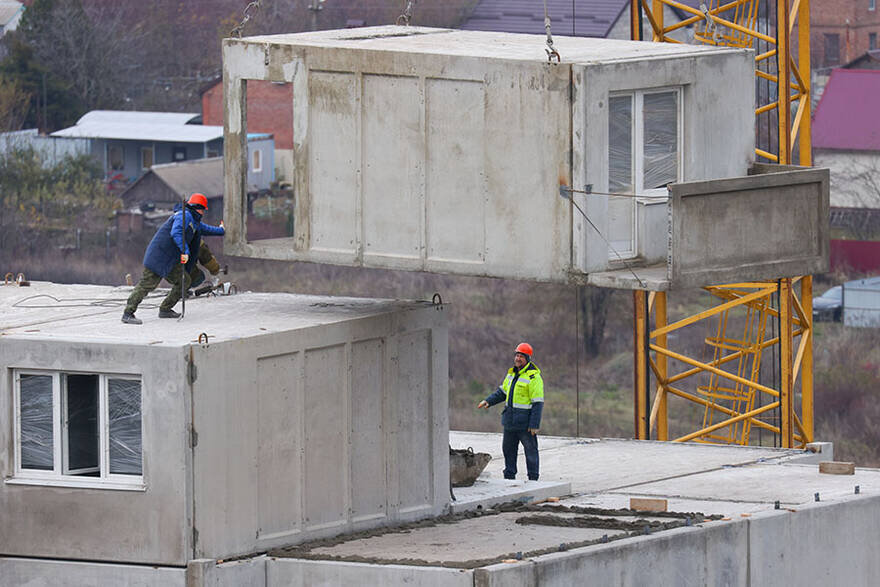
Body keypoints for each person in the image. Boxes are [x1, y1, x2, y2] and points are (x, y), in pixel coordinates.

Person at [122, 193, 224, 324]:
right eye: (203, 209)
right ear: (197, 207)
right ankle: (128, 313)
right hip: (159, 257)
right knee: (147, 285)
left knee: (184, 281)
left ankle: (165, 309)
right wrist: (185, 251)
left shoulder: (193, 219)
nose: (203, 212)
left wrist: (221, 231)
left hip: (170, 260)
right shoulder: (184, 216)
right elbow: (176, 232)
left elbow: (206, 229)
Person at [477, 342, 544, 481]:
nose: (518, 358)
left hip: (525, 424)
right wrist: (488, 401)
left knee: (531, 452)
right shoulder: (511, 374)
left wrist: (534, 424)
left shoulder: (534, 377)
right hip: (510, 422)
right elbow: (502, 392)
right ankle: (509, 478)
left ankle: (533, 479)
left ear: (528, 358)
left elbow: (537, 403)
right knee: (508, 451)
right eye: (517, 355)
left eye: (521, 356)